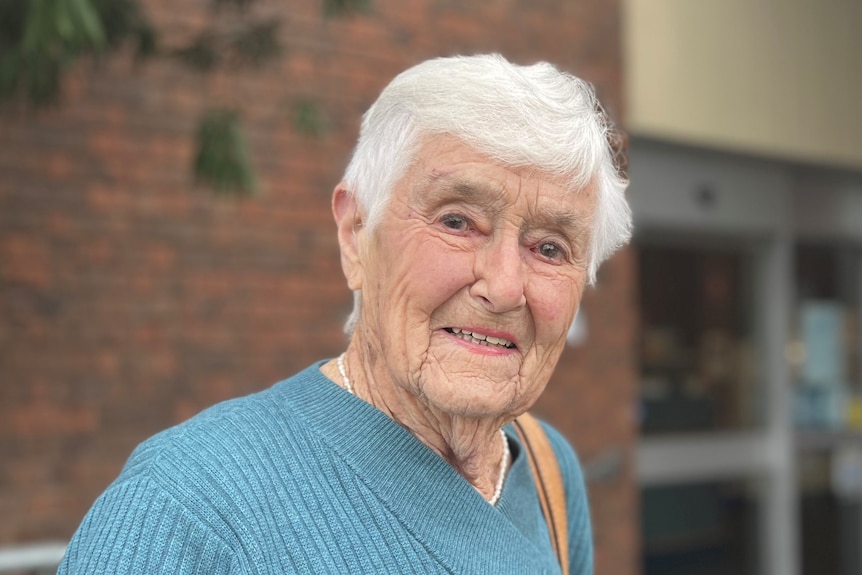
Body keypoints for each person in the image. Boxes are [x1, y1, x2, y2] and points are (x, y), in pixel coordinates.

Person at [58, 53, 632, 575]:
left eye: (550, 248)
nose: (505, 287)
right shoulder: (187, 508)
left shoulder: (549, 470)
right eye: (457, 221)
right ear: (356, 235)